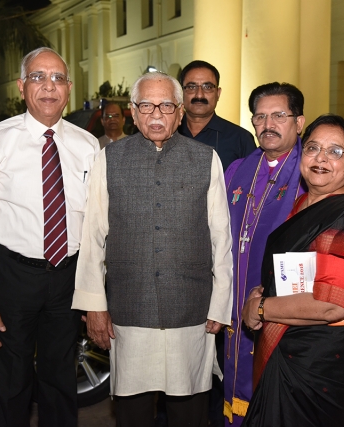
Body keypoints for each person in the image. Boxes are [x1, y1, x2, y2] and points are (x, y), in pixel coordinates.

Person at [73, 71, 233, 427]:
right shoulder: (108, 158)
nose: (156, 114)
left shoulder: (206, 159)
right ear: (132, 111)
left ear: (179, 112)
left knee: (189, 410)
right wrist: (95, 307)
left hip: (190, 312)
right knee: (132, 412)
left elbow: (221, 238)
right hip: (130, 310)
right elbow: (93, 235)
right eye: (146, 105)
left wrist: (221, 304)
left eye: (166, 105)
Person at [0, 47, 98, 427]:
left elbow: (92, 225)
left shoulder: (87, 145)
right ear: (22, 87)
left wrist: (93, 288)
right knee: (10, 382)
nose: (48, 87)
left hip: (67, 276)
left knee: (61, 381)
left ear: (69, 88)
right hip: (12, 275)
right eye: (38, 77)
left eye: (57, 78)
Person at [239, 114, 344, 427]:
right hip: (290, 347)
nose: (321, 159)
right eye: (313, 148)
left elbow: (332, 302)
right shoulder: (305, 202)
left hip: (317, 364)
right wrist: (261, 292)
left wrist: (261, 307)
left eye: (335, 152)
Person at [223, 82, 306, 426]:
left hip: (287, 309)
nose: (267, 124)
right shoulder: (237, 170)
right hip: (234, 302)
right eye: (260, 116)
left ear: (299, 123)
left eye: (279, 115)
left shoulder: (315, 170)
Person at [178, 60, 256, 171]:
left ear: (218, 93)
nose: (199, 95)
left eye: (208, 87)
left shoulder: (240, 139)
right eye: (191, 87)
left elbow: (251, 184)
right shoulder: (168, 134)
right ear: (181, 93)